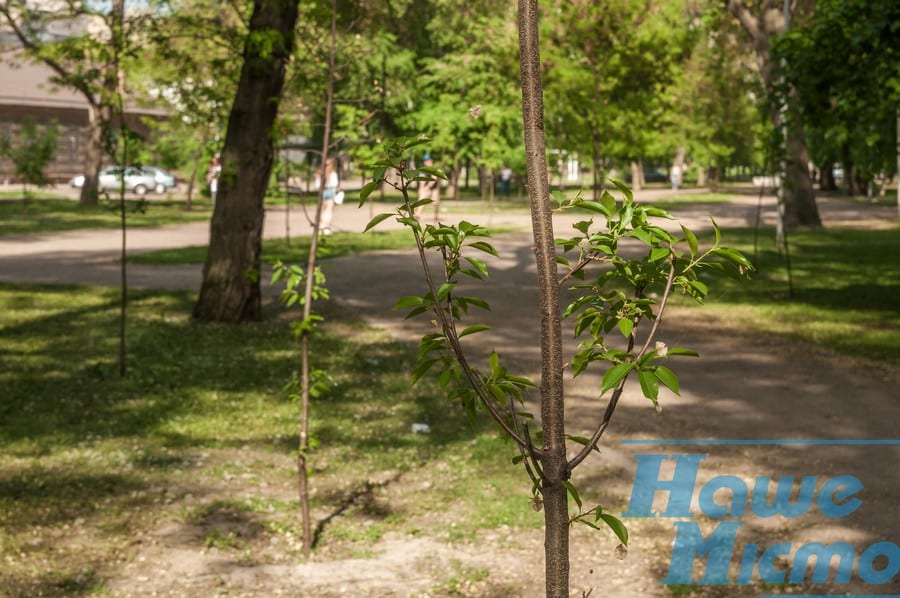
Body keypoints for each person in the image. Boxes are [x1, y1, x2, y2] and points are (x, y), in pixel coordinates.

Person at [415, 154, 440, 222]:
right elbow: (421, 182)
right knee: (422, 200)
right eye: (425, 161)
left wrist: (427, 187)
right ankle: (417, 214)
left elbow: (434, 179)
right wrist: (421, 189)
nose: (427, 162)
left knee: (436, 203)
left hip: (434, 188)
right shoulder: (423, 170)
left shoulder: (434, 169)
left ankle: (436, 215)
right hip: (426, 189)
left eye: (428, 160)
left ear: (431, 161)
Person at [319, 158, 339, 235]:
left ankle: (321, 225)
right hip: (330, 191)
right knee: (329, 210)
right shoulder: (333, 173)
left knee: (324, 210)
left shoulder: (321, 174)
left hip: (323, 191)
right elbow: (335, 184)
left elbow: (317, 185)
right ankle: (327, 227)